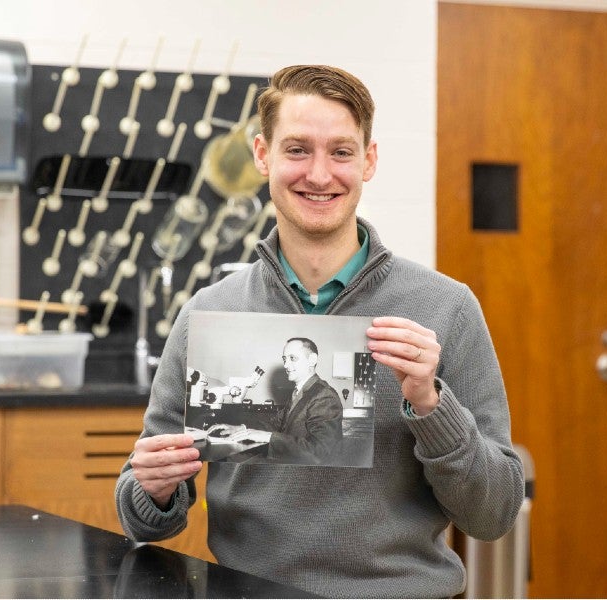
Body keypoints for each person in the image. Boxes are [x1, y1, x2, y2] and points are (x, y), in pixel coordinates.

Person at [115, 64, 524, 598]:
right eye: (297, 149)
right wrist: (153, 487)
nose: (319, 174)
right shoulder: (207, 314)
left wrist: (430, 405)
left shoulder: (446, 309)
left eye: (341, 151)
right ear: (263, 156)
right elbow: (145, 522)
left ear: (368, 161)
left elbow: (494, 515)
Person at [267, 337, 343, 464]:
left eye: (292, 358)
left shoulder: (324, 396)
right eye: (284, 359)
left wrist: (269, 437)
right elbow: (275, 424)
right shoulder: (299, 392)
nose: (286, 365)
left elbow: (320, 451)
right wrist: (242, 428)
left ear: (312, 360)